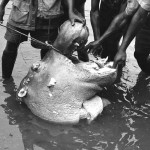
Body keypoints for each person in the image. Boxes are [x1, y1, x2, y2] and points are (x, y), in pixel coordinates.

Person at [0, 0, 85, 80]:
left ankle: (44, 83)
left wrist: (71, 12)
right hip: (20, 12)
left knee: (47, 51)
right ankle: (6, 80)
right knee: (11, 46)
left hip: (48, 15)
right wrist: (2, 6)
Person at [85, 0, 150, 69]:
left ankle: (116, 66)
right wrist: (98, 40)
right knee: (139, 55)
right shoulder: (138, 4)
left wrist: (122, 49)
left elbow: (129, 21)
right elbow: (130, 16)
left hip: (124, 8)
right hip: (112, 9)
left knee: (113, 44)